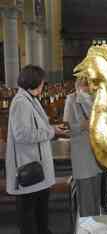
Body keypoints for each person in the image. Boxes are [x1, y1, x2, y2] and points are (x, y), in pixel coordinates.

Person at [6, 65, 66, 234]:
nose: (43, 85)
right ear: (34, 82)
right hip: (29, 167)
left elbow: (37, 127)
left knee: (40, 213)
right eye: (42, 82)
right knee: (29, 217)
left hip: (37, 164)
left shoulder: (29, 99)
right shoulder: (21, 103)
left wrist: (53, 128)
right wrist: (51, 131)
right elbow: (22, 134)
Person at [63, 79, 102, 217]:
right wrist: (82, 126)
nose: (87, 88)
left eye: (89, 85)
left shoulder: (96, 98)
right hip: (81, 154)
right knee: (86, 196)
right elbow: (66, 127)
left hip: (96, 152)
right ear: (78, 85)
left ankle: (97, 226)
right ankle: (87, 227)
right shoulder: (71, 100)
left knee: (96, 194)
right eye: (84, 85)